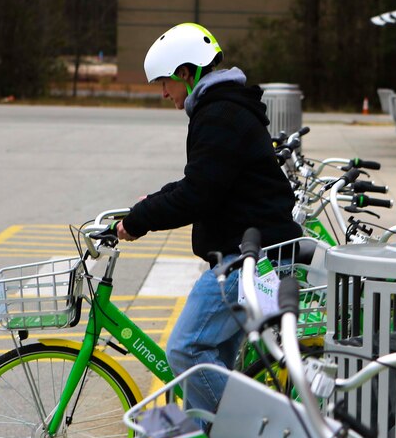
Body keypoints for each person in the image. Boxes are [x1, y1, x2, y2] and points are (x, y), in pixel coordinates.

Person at [116, 22, 301, 416]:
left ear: (187, 72)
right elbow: (205, 180)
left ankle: (263, 431)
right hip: (249, 250)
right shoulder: (223, 107)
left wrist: (139, 221)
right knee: (208, 364)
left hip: (246, 257)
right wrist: (154, 200)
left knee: (186, 351)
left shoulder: (219, 114)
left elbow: (198, 194)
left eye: (165, 82)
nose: (163, 92)